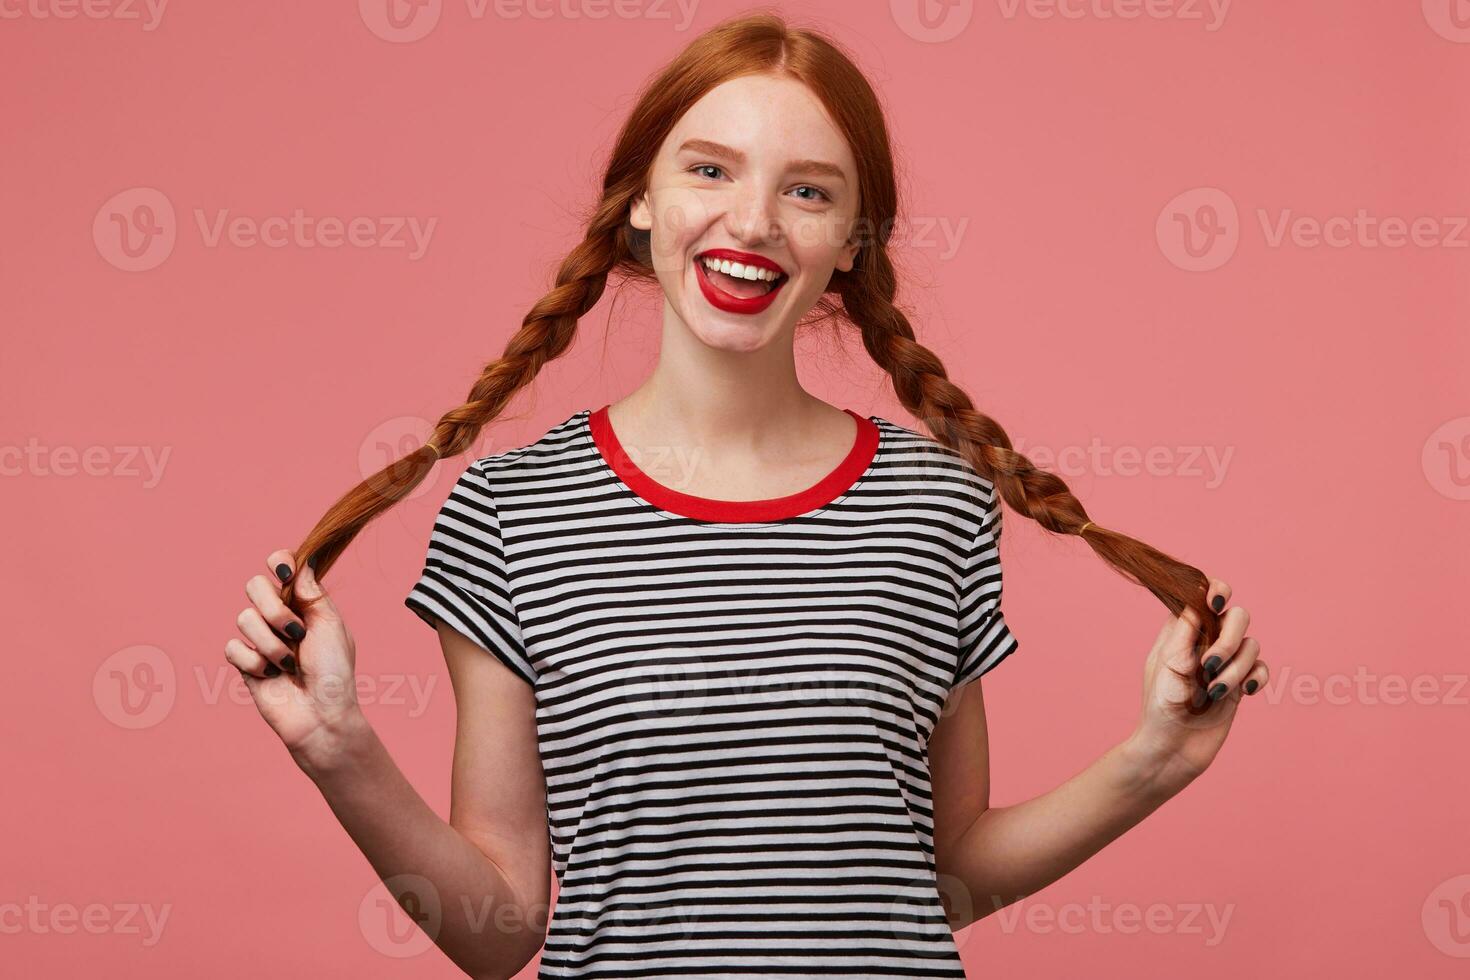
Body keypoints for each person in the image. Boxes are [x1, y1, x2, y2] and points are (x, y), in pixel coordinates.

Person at [225, 12, 1268, 978]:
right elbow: (501, 932)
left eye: (808, 190)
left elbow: (936, 874)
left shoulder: (935, 503)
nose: (754, 219)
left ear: (854, 241)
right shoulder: (510, 509)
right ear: (641, 199)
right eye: (710, 168)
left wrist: (1154, 759)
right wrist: (338, 747)